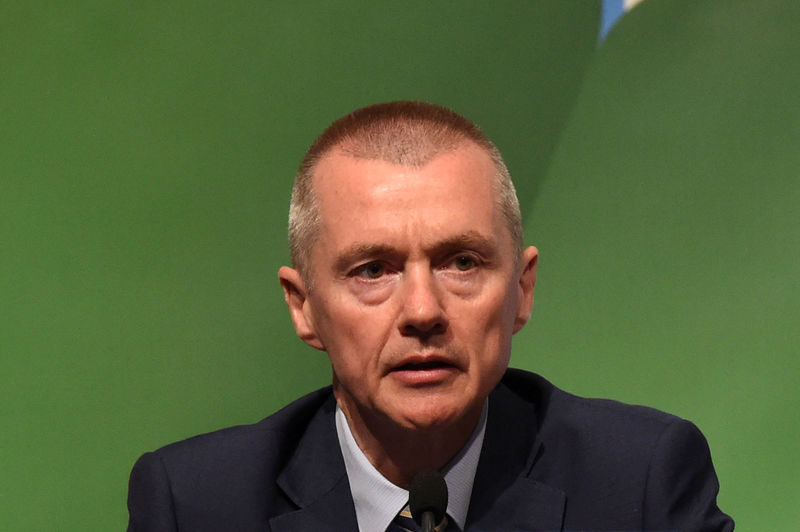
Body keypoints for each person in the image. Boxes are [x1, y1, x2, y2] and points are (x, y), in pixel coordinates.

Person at [127, 101, 734, 531]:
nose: (422, 311)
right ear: (304, 307)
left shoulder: (640, 484)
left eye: (461, 262)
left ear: (521, 291)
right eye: (372, 270)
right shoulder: (197, 505)